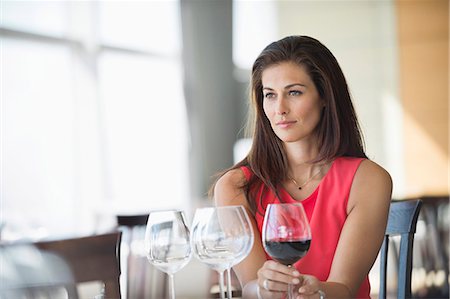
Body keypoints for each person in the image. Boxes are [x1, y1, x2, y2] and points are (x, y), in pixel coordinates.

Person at [212, 35, 392, 299]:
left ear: (324, 96)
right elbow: (251, 287)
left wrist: (315, 291)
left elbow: (344, 289)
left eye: (294, 92)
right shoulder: (234, 187)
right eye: (270, 95)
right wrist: (262, 287)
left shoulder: (368, 180)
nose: (280, 109)